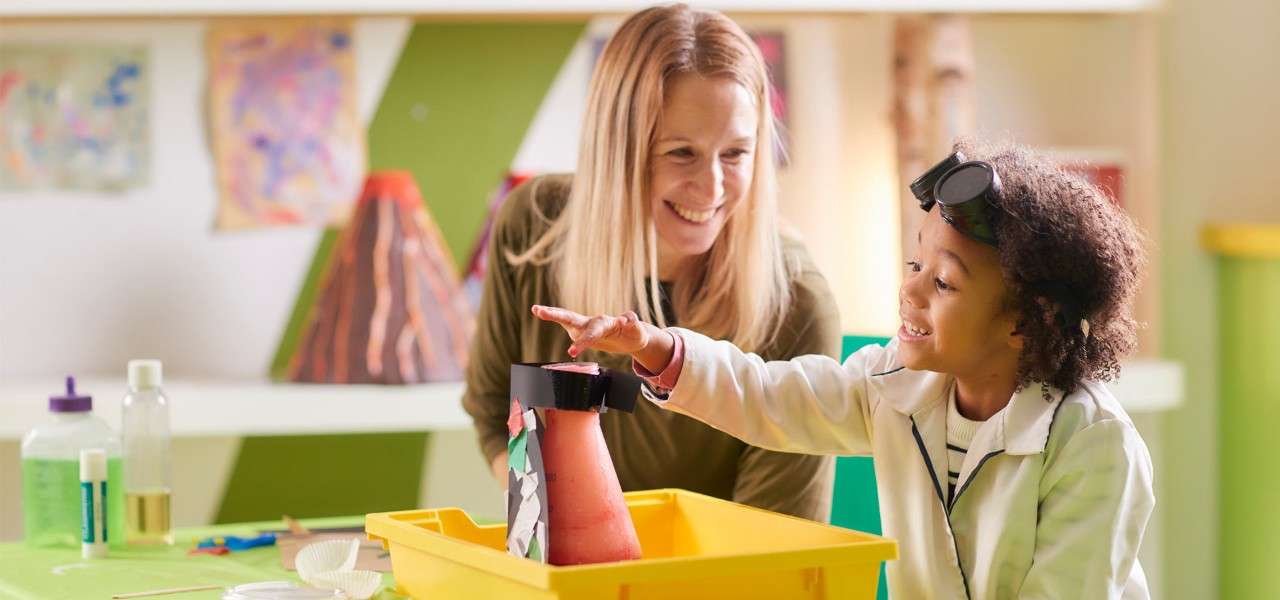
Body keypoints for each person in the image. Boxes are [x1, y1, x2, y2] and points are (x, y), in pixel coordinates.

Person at [535, 138, 1155, 599]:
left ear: (1025, 320)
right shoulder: (894, 384)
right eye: (915, 267)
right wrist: (658, 347)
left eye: (943, 283)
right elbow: (772, 397)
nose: (910, 293)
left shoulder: (1090, 444)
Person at [462, 4, 839, 521]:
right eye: (681, 152)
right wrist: (551, 518)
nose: (711, 188)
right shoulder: (532, 225)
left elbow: (775, 544)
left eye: (735, 154)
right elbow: (492, 409)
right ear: (616, 151)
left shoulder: (797, 304)